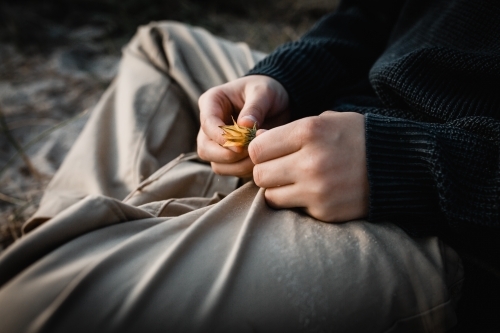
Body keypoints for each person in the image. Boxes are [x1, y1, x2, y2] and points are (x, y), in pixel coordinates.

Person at [0, 0, 499, 331]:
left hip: (448, 215)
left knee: (34, 307)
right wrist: (282, 79)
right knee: (160, 47)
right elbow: (370, 17)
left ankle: (107, 245)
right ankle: (114, 239)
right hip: (347, 107)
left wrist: (408, 165)